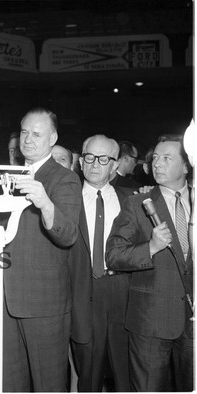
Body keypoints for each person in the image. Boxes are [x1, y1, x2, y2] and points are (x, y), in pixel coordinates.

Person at [3, 107, 82, 391]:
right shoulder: (8, 176)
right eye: (24, 132)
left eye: (37, 134)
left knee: (48, 385)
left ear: (53, 138)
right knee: (10, 384)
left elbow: (68, 234)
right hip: (4, 301)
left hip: (43, 303)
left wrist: (46, 203)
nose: (28, 139)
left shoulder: (64, 178)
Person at [106, 134, 193, 391]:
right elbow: (113, 255)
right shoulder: (136, 203)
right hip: (150, 323)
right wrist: (151, 247)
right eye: (155, 157)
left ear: (187, 166)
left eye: (167, 158)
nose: (157, 163)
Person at [69, 135, 132, 392]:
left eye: (103, 159)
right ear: (80, 162)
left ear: (115, 165)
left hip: (123, 293)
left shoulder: (132, 199)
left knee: (126, 372)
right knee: (89, 376)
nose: (95, 164)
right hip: (82, 293)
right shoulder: (66, 199)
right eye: (89, 157)